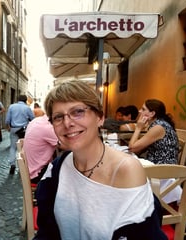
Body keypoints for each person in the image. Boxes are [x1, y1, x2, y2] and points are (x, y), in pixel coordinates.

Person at [34, 80, 166, 240]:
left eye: (77, 112)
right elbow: (47, 232)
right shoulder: (58, 168)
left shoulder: (126, 170)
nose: (67, 123)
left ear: (100, 118)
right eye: (58, 117)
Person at [128, 99, 179, 165]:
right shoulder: (158, 124)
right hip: (156, 165)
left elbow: (132, 148)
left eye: (143, 109)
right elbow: (137, 150)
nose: (139, 111)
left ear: (152, 113)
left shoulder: (159, 127)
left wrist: (138, 128)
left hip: (163, 169)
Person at [23, 114, 58, 184]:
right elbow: (67, 145)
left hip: (31, 170)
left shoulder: (36, 120)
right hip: (37, 173)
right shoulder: (47, 127)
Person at [5, 95, 34, 174]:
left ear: (17, 99)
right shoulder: (27, 108)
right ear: (25, 100)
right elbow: (33, 119)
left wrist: (8, 127)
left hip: (14, 129)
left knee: (13, 147)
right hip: (24, 130)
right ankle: (23, 165)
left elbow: (7, 120)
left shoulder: (11, 107)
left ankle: (12, 164)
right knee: (23, 148)